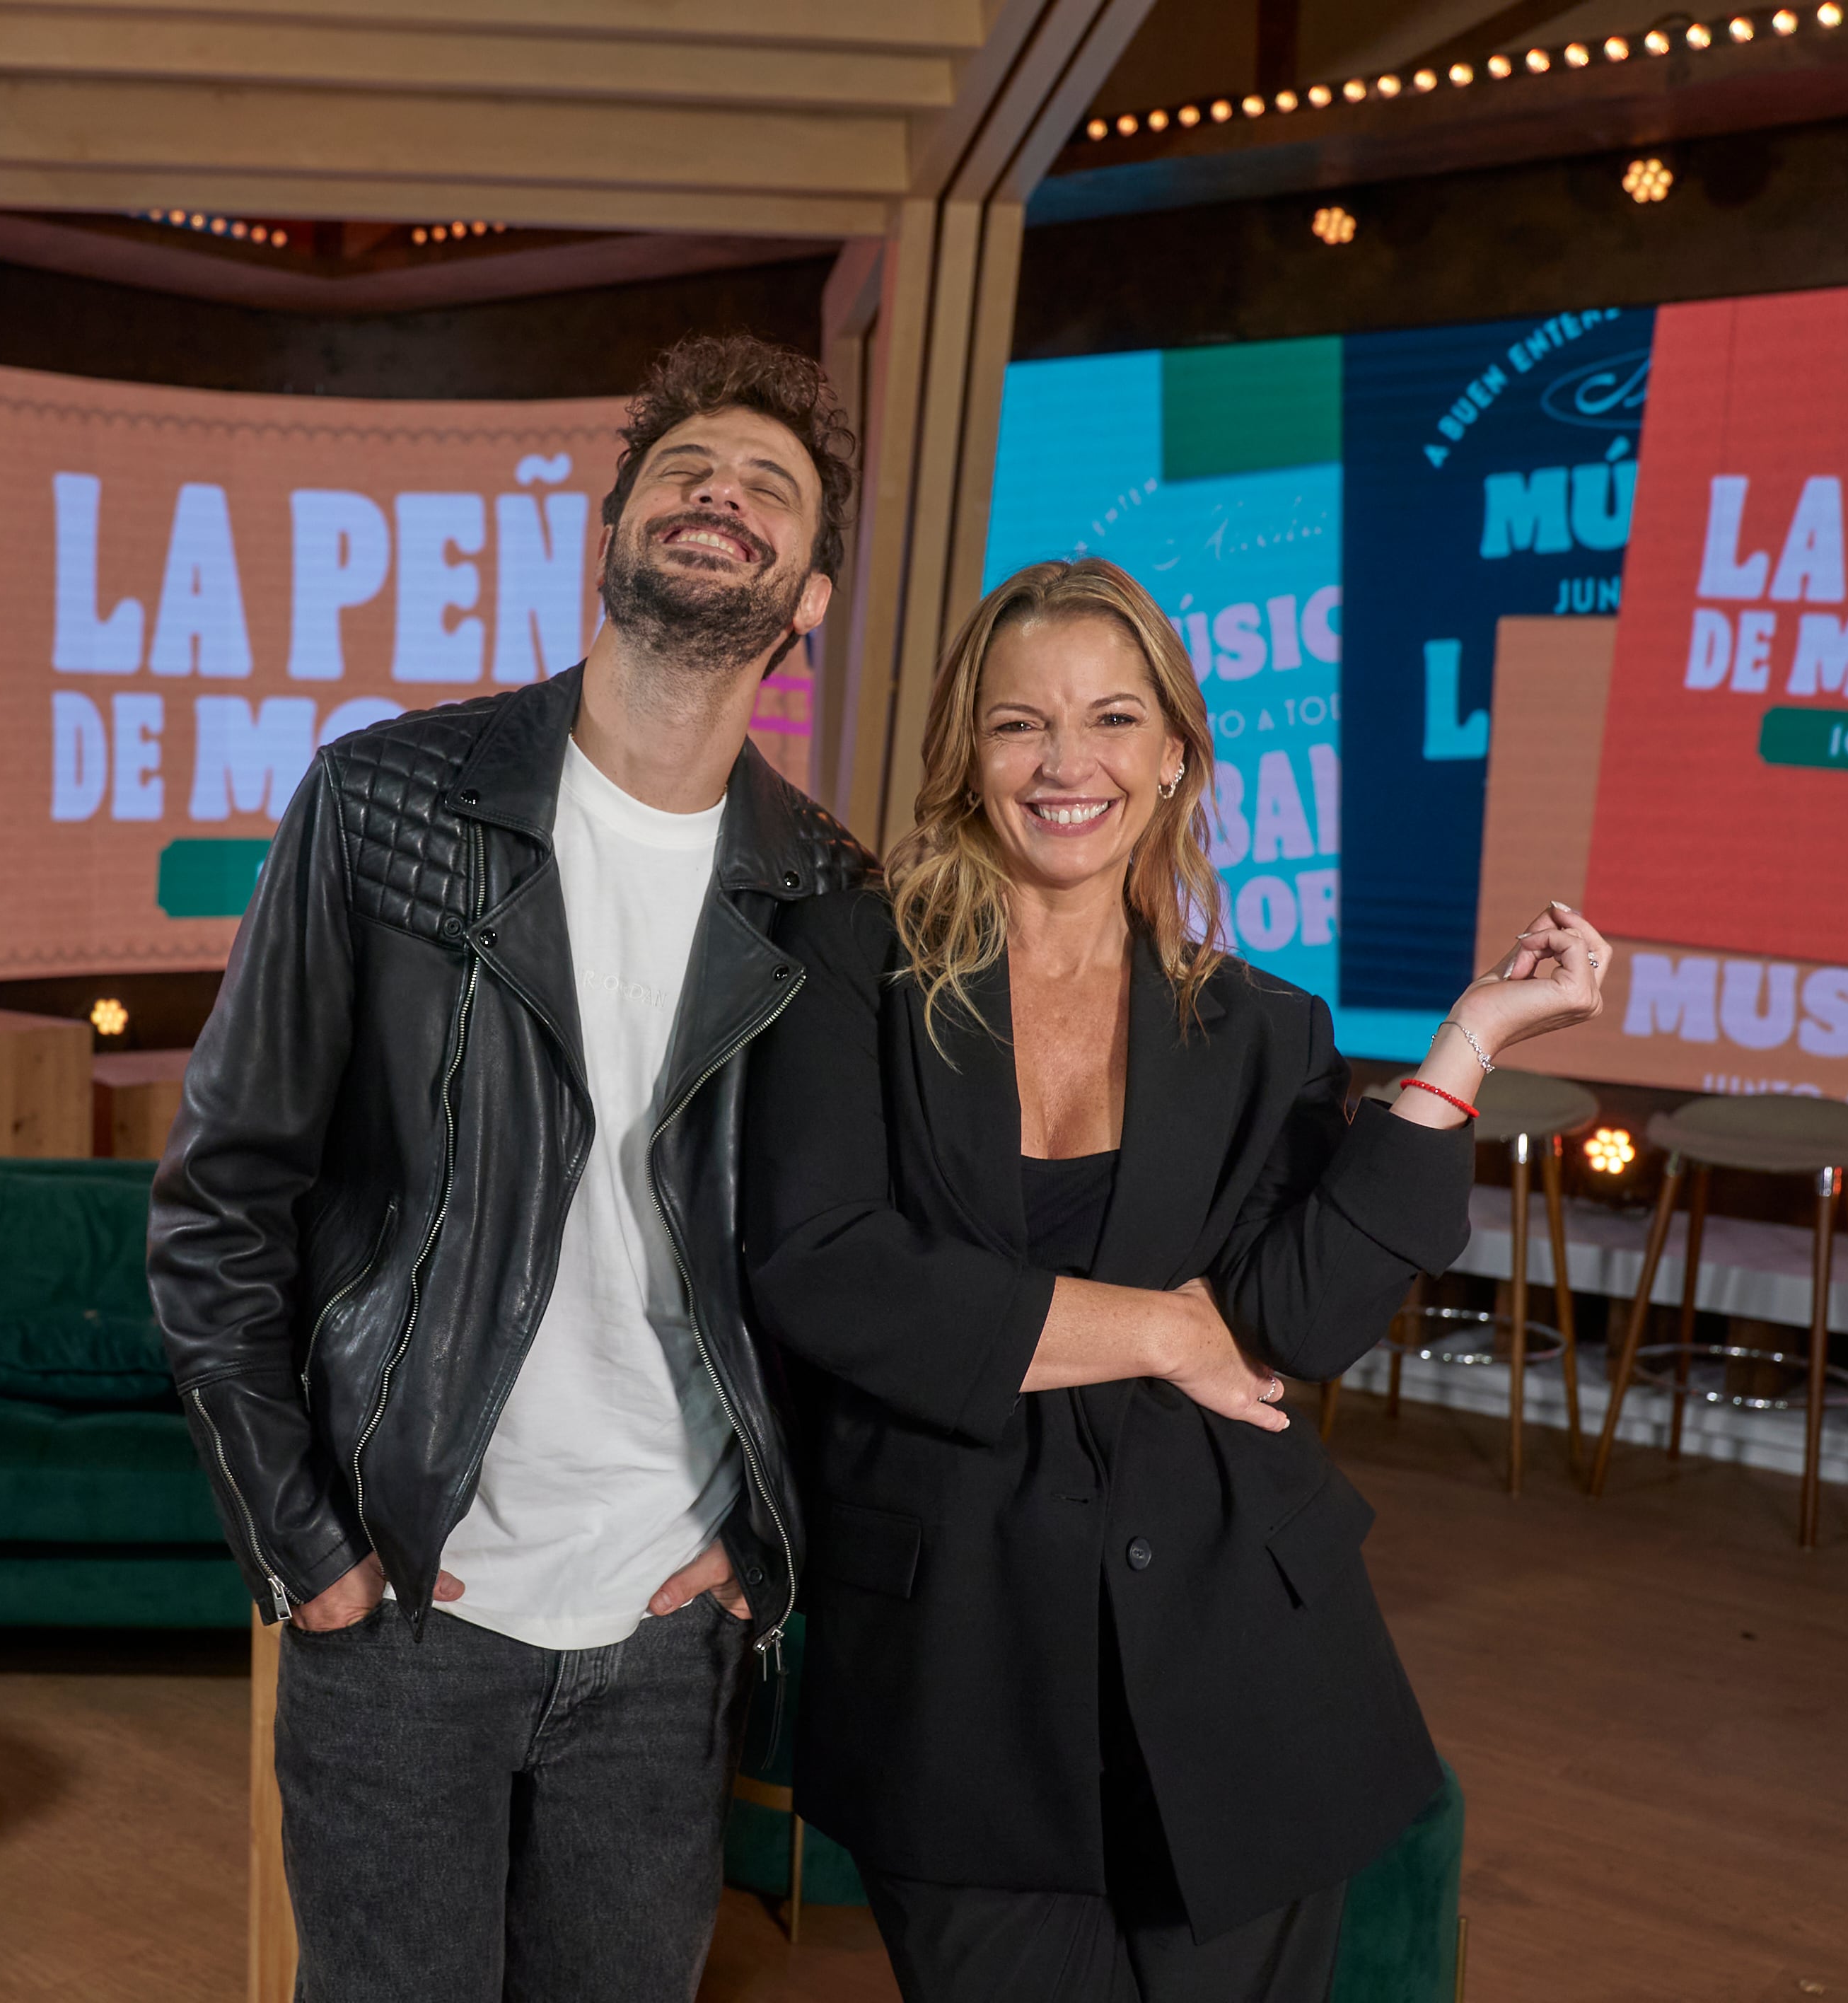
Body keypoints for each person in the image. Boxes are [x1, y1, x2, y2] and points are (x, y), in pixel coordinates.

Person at [742, 556, 1610, 2002]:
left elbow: (1299, 1324)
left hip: (1241, 1673)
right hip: (956, 1673)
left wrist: (1463, 1047)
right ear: (966, 750)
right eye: (1018, 723)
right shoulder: (848, 966)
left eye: (1110, 720)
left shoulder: (1267, 1026)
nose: (1063, 762)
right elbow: (826, 1271)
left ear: (1174, 759)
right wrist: (1157, 1331)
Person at [151, 332, 870, 2002]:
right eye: (686, 471)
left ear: (810, 595)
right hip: (401, 1603)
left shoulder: (831, 898)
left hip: (666, 1633)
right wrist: (304, 1546)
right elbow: (217, 1210)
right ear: (606, 536)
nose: (721, 495)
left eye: (770, 486)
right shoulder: (381, 802)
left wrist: (762, 1550)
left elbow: (849, 1264)